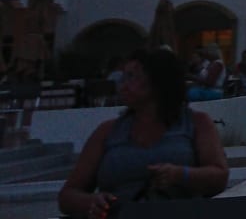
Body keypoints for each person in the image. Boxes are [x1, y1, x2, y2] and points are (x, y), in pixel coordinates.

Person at [57, 48, 229, 218]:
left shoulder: (196, 123)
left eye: (132, 76)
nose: (122, 85)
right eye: (123, 77)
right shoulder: (107, 131)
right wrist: (91, 202)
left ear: (158, 80)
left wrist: (181, 175)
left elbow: (220, 176)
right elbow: (68, 195)